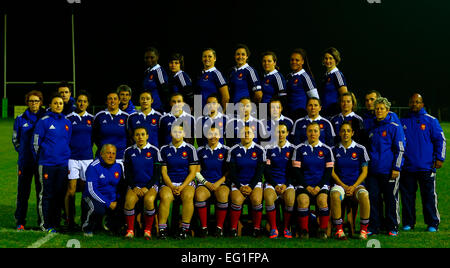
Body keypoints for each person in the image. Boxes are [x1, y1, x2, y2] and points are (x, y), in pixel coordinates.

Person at [400, 93, 446, 232]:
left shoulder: (431, 121)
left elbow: (441, 140)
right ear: (409, 103)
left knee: (429, 196)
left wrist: (440, 158)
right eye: (412, 102)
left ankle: (432, 223)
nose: (414, 104)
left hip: (426, 166)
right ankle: (408, 223)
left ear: (422, 104)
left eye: (417, 102)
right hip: (407, 167)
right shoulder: (403, 121)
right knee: (407, 198)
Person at [366, 97, 405, 236]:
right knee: (373, 199)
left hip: (389, 170)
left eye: (382, 108)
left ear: (388, 110)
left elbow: (400, 149)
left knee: (390, 199)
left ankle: (392, 226)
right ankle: (374, 227)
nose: (379, 111)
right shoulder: (371, 127)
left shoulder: (394, 127)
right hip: (373, 171)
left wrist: (396, 167)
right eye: (377, 109)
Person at [32, 94, 72, 233]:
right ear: (51, 104)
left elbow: (67, 141)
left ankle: (55, 223)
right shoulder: (44, 121)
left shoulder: (67, 122)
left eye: (60, 103)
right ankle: (45, 223)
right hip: (47, 164)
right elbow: (36, 143)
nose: (58, 105)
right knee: (46, 194)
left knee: (59, 194)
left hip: (62, 165)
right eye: (56, 103)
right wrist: (43, 157)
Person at [292, 122, 334, 239]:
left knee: (322, 201)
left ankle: (322, 230)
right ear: (306, 132)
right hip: (304, 185)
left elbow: (328, 172)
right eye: (310, 131)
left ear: (319, 133)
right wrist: (307, 186)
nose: (312, 133)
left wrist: (319, 186)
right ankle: (304, 231)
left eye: (315, 131)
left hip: (321, 185)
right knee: (303, 200)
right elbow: (297, 171)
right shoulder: (299, 149)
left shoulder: (326, 150)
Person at [330, 122, 371, 240]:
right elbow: (332, 172)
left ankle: (363, 230)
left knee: (364, 195)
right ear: (339, 133)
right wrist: (343, 185)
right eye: (343, 130)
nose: (345, 133)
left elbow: (364, 172)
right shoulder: (334, 149)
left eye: (348, 131)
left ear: (352, 133)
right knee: (335, 194)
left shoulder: (360, 149)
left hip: (356, 185)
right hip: (340, 185)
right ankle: (339, 230)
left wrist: (353, 186)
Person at [12, 90, 46, 231]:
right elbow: (15, 139)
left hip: (42, 163)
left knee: (41, 193)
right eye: (31, 101)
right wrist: (24, 154)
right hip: (25, 163)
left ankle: (42, 221)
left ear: (40, 102)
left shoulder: (46, 117)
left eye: (36, 101)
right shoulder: (20, 118)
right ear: (27, 102)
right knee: (23, 194)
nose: (34, 104)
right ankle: (20, 221)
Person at [158, 124, 199, 239]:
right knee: (165, 197)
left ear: (184, 134)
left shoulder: (190, 149)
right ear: (171, 133)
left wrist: (181, 187)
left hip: (185, 182)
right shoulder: (164, 149)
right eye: (174, 131)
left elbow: (192, 172)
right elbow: (164, 172)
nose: (177, 134)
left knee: (188, 195)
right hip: (169, 182)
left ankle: (184, 229)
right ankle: (162, 229)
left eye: (180, 132)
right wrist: (171, 186)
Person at [227, 126, 266, 237]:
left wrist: (251, 186)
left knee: (257, 199)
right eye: (244, 132)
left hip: (254, 183)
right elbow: (232, 172)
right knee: (237, 200)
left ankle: (257, 228)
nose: (247, 135)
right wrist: (240, 186)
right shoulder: (233, 150)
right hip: (238, 183)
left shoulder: (260, 150)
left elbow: (260, 172)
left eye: (249, 132)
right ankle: (233, 229)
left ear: (253, 135)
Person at [123, 127, 162, 239]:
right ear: (134, 137)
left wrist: (147, 187)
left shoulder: (154, 151)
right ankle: (130, 230)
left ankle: (148, 230)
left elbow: (157, 173)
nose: (140, 137)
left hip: (150, 184)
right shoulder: (129, 151)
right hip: (135, 185)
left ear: (147, 136)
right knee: (129, 201)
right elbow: (127, 173)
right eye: (137, 135)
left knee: (149, 200)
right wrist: (134, 187)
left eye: (143, 134)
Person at [65, 91, 94, 230]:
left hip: (87, 158)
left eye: (84, 101)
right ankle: (70, 220)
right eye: (80, 101)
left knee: (86, 190)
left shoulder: (92, 119)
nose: (82, 103)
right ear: (76, 102)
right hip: (72, 158)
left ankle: (85, 220)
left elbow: (94, 138)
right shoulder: (69, 118)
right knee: (71, 190)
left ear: (88, 103)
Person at [81, 144, 124, 237]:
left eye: (113, 153)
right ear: (101, 154)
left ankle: (110, 225)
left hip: (111, 198)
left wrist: (119, 201)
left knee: (124, 206)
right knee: (98, 209)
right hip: (92, 197)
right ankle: (87, 227)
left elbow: (120, 187)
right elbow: (91, 190)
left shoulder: (118, 166)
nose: (111, 156)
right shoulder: (93, 167)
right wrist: (108, 203)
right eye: (108, 153)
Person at [194, 126, 230, 237]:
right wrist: (206, 183)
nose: (213, 137)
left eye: (215, 134)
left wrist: (218, 183)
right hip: (205, 183)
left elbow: (229, 171)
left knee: (223, 195)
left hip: (221, 183)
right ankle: (204, 227)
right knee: (199, 196)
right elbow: (196, 171)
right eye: (210, 134)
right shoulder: (200, 150)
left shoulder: (226, 150)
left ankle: (219, 228)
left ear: (220, 135)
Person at [263, 123, 296, 239]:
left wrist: (285, 185)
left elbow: (293, 172)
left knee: (290, 199)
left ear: (287, 133)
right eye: (278, 132)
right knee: (268, 196)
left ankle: (286, 228)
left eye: (283, 132)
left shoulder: (293, 149)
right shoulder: (268, 148)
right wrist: (275, 185)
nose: (280, 134)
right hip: (272, 183)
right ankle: (273, 227)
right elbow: (266, 171)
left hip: (287, 183)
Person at [93, 92, 129, 162]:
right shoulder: (99, 116)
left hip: (120, 157)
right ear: (107, 101)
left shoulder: (126, 117)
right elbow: (94, 136)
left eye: (115, 99)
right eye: (110, 99)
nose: (112, 101)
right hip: (103, 157)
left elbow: (130, 137)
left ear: (119, 101)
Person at [285, 48, 319, 120]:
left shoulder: (305, 77)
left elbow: (315, 98)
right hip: (288, 113)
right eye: (292, 60)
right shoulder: (289, 76)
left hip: (301, 114)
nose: (294, 62)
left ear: (302, 62)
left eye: (297, 60)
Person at [319, 47, 348, 117]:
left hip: (334, 113)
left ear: (336, 59)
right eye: (326, 58)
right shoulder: (325, 75)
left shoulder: (337, 74)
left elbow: (345, 95)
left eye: (331, 58)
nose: (328, 60)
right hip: (324, 112)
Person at [143, 46, 170, 112]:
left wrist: (164, 108)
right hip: (147, 108)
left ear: (157, 57)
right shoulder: (147, 72)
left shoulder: (159, 71)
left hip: (158, 108)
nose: (149, 60)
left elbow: (165, 91)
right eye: (147, 58)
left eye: (152, 57)